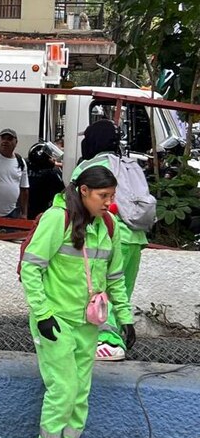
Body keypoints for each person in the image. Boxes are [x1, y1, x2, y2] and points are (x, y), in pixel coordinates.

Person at [20, 166, 135, 438]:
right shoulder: (57, 220)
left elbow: (115, 277)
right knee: (64, 388)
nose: (108, 202)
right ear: (84, 191)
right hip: (56, 320)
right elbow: (31, 269)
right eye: (103, 195)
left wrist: (125, 317)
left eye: (112, 196)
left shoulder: (110, 226)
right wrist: (43, 314)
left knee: (80, 391)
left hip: (89, 324)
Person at [73, 119, 149, 362]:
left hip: (110, 236)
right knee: (122, 291)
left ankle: (107, 342)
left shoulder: (91, 166)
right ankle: (118, 340)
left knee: (100, 290)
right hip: (136, 238)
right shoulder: (130, 165)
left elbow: (74, 199)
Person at [27, 142, 65, 219]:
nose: (53, 159)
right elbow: (62, 192)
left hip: (26, 209)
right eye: (50, 157)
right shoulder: (52, 173)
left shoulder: (25, 167)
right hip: (43, 210)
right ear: (43, 159)